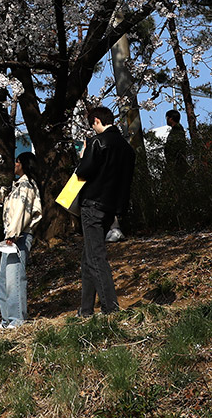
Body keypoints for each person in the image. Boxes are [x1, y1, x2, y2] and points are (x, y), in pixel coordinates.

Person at [72, 103, 136, 316]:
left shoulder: (97, 142)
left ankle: (110, 308)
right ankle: (86, 309)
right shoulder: (127, 148)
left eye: (93, 125)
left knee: (95, 257)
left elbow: (83, 171)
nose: (93, 130)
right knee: (88, 256)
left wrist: (83, 156)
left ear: (97, 121)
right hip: (111, 207)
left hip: (92, 204)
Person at [0, 151, 43, 328]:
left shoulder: (27, 186)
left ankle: (16, 319)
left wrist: (12, 235)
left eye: (17, 161)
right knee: (3, 280)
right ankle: (6, 319)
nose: (14, 165)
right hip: (11, 236)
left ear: (23, 164)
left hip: (19, 236)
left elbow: (21, 212)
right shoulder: (17, 186)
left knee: (14, 278)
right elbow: (2, 200)